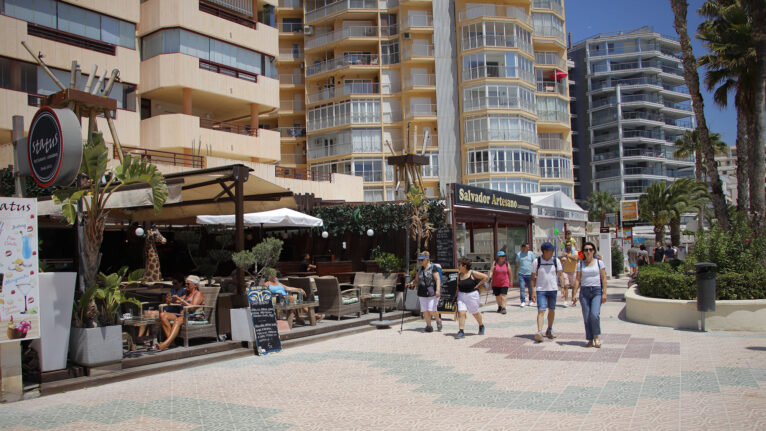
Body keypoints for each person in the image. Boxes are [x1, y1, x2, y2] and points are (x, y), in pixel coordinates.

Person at [572, 242, 608, 348]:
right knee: (587, 317)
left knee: (594, 315)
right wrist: (574, 294)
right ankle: (590, 339)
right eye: (586, 250)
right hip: (584, 292)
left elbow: (604, 278)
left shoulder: (599, 263)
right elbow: (578, 279)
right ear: (583, 252)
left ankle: (596, 337)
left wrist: (604, 293)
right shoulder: (580, 264)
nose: (588, 252)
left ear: (594, 251)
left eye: (590, 249)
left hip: (596, 291)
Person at [158, 275, 205, 350]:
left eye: (188, 284)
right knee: (163, 315)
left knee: (178, 320)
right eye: (186, 284)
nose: (186, 285)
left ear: (195, 285)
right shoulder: (186, 293)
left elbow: (192, 307)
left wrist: (180, 299)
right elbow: (176, 301)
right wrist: (170, 300)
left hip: (194, 316)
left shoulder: (198, 294)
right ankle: (172, 342)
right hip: (183, 315)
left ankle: (166, 343)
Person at [530, 242, 565, 342]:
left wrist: (563, 287)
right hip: (541, 290)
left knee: (552, 310)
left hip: (553, 289)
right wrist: (533, 292)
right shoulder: (537, 261)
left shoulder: (555, 260)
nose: (553, 252)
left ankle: (549, 329)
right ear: (545, 251)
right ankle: (539, 331)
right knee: (541, 310)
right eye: (551, 250)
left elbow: (561, 274)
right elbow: (532, 278)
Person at [407, 251, 443, 332]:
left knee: (431, 310)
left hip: (432, 292)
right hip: (422, 292)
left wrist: (437, 290)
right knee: (425, 310)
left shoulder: (433, 268)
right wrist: (411, 283)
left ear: (427, 259)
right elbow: (416, 280)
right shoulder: (419, 269)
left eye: (422, 260)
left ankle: (438, 320)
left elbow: (437, 279)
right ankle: (429, 326)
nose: (420, 262)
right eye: (420, 260)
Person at [455, 257, 487, 339]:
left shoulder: (472, 273)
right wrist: (455, 297)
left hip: (472, 295)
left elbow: (485, 277)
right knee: (461, 313)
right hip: (462, 296)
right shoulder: (459, 275)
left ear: (464, 266)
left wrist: (478, 285)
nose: (458, 266)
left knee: (475, 313)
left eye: (460, 265)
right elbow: (458, 287)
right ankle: (461, 331)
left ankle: (481, 325)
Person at [514, 243, 536, 308]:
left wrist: (535, 272)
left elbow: (534, 262)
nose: (528, 248)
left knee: (530, 288)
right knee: (522, 287)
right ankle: (523, 301)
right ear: (523, 247)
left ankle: (530, 300)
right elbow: (516, 265)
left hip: (529, 274)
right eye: (527, 247)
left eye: (529, 247)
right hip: (521, 274)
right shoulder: (519, 255)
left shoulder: (531, 254)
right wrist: (515, 274)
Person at [560, 241, 579, 307]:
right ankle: (566, 300)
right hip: (565, 271)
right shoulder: (564, 252)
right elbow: (561, 261)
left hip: (573, 271)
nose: (568, 246)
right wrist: (562, 258)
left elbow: (576, 259)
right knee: (566, 286)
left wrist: (568, 255)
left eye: (569, 245)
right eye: (567, 245)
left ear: (572, 246)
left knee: (574, 286)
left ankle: (573, 300)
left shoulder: (575, 252)